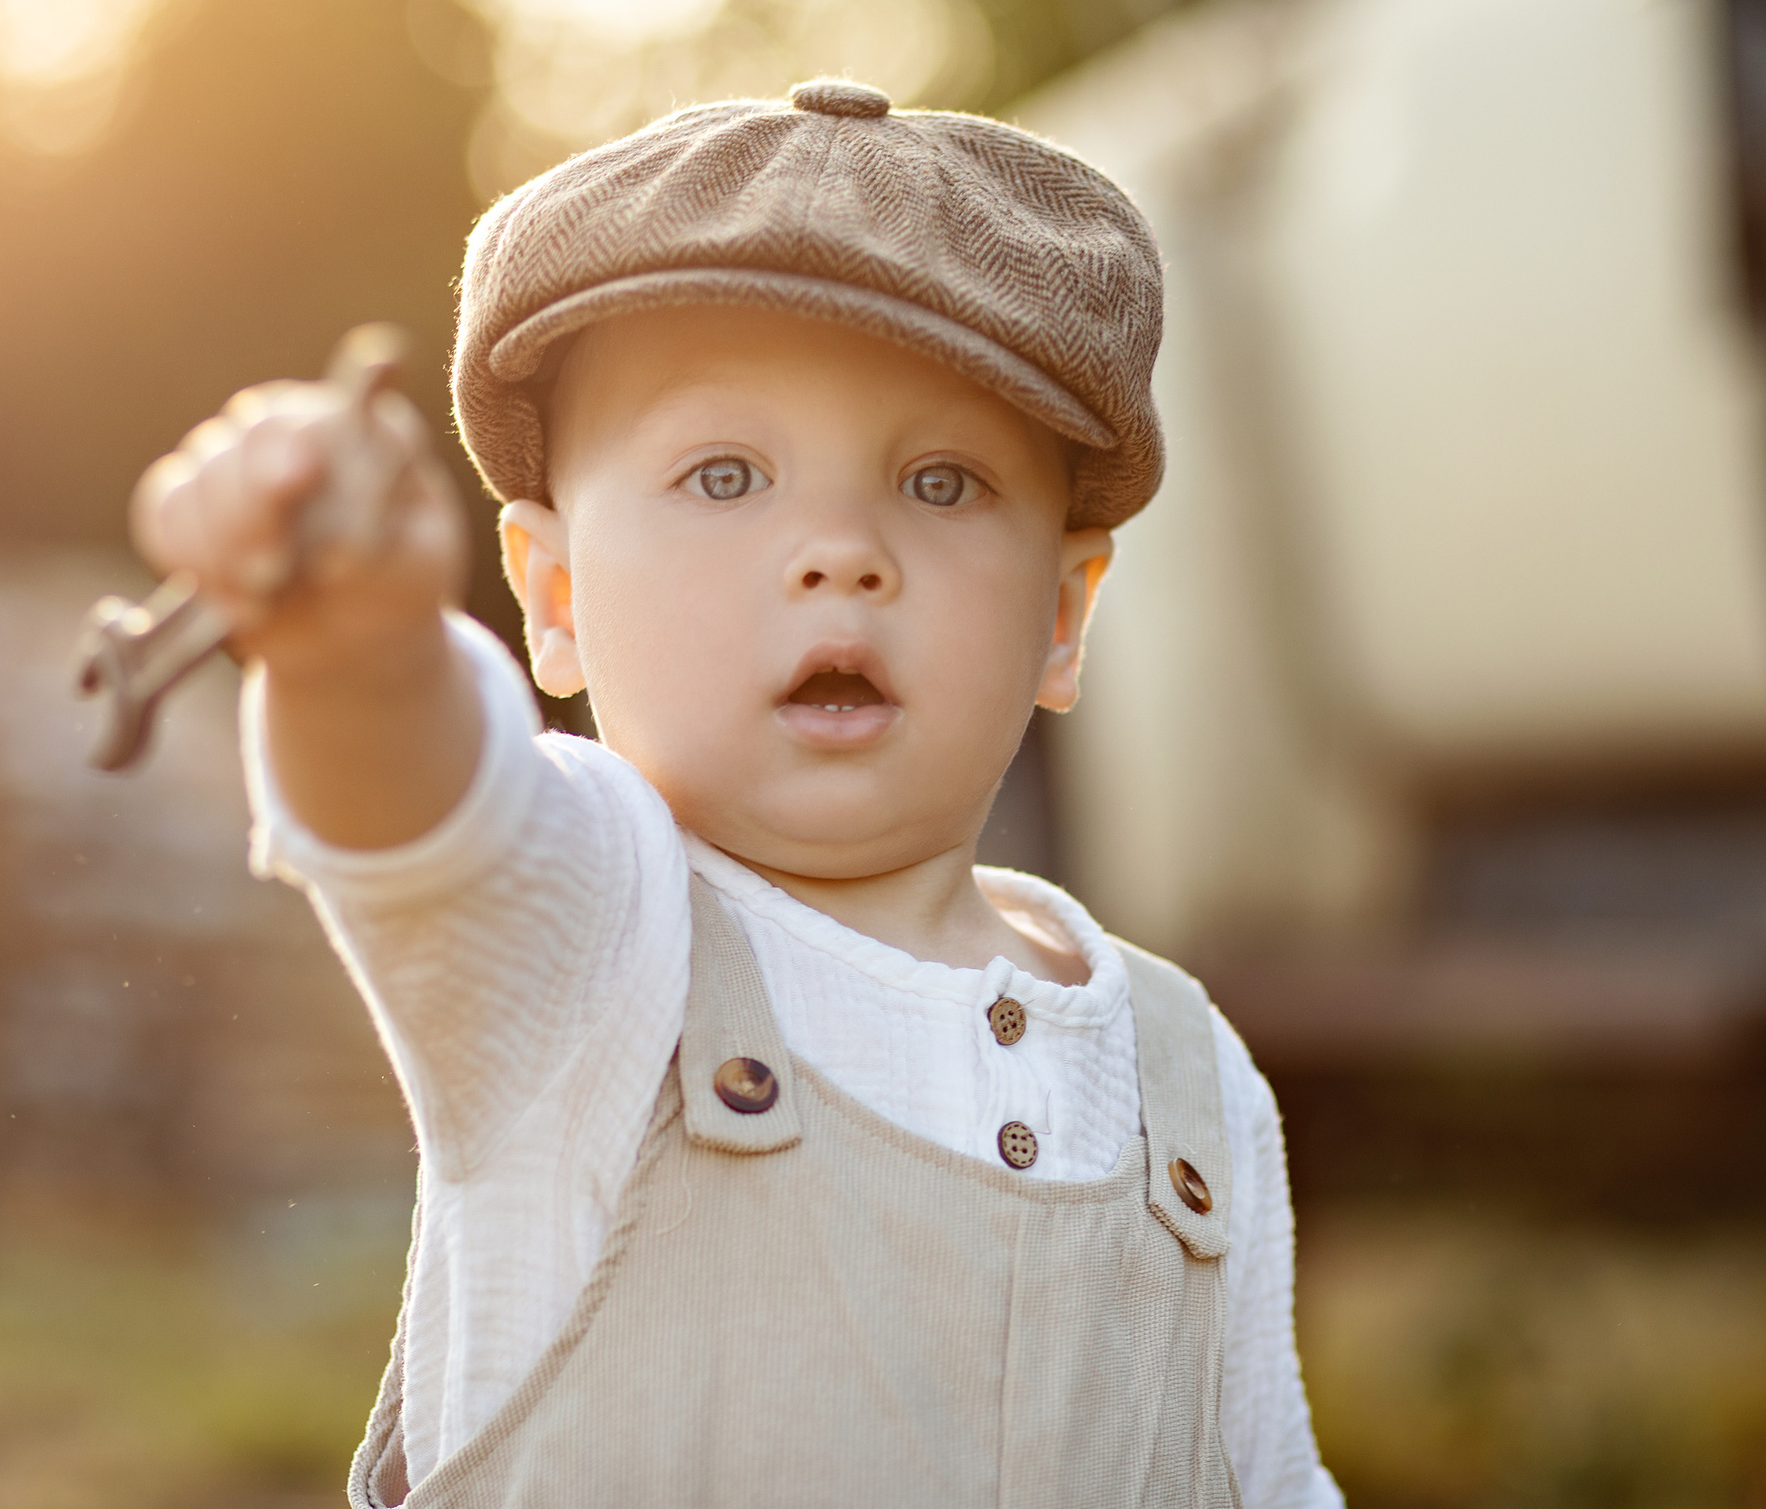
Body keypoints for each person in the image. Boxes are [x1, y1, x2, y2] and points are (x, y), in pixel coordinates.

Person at [131, 77, 1341, 1508]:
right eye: (725, 475)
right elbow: (427, 807)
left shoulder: (1184, 1078)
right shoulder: (594, 937)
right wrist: (355, 643)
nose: (839, 549)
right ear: (556, 595)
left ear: (1063, 616)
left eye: (943, 485)